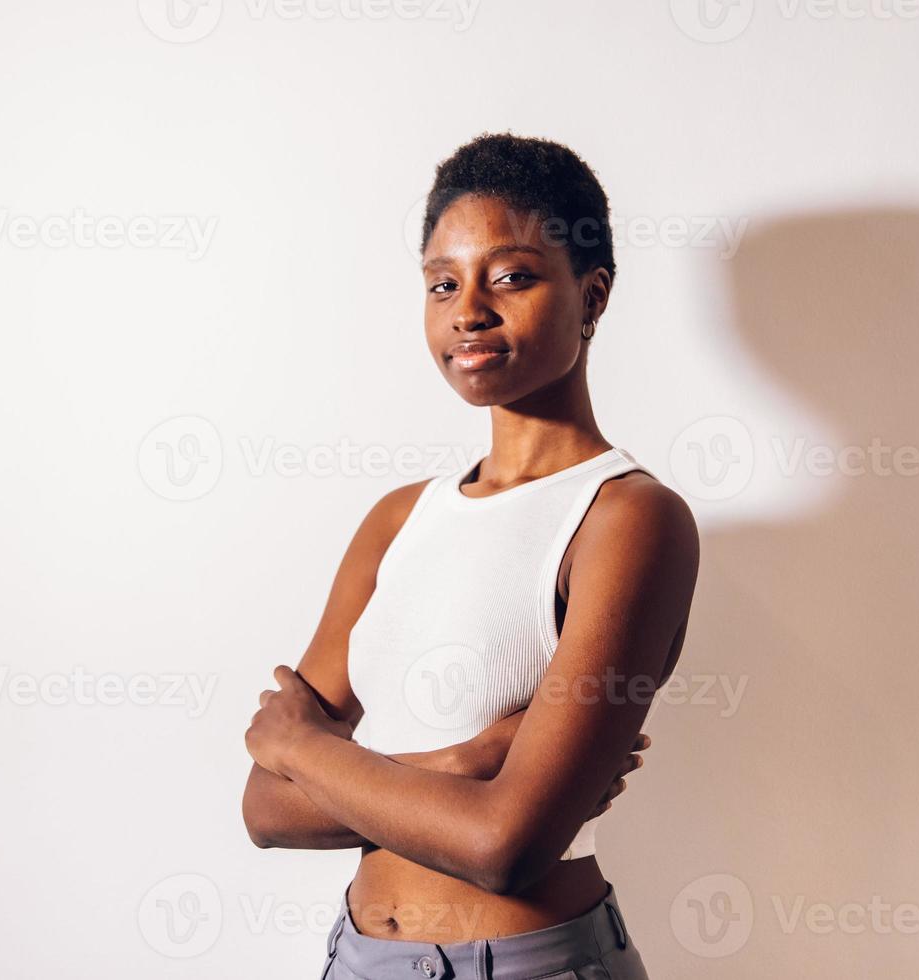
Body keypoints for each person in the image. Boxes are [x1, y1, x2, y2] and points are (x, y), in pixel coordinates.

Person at [242, 132, 700, 979]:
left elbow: (505, 845)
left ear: (591, 295)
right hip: (357, 958)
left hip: (530, 964)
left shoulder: (629, 519)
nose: (467, 310)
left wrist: (306, 748)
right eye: (442, 284)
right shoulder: (398, 519)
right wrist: (461, 766)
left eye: (512, 276)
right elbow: (265, 810)